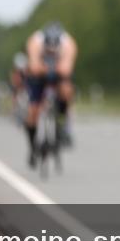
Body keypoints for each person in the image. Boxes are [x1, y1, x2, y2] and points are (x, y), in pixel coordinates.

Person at [24, 22, 78, 166]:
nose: (51, 51)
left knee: (66, 90)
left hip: (58, 74)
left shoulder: (69, 43)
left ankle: (62, 122)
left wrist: (54, 68)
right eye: (49, 48)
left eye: (54, 49)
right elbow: (34, 67)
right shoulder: (35, 41)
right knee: (33, 111)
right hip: (39, 75)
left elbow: (66, 69)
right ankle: (32, 147)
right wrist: (45, 68)